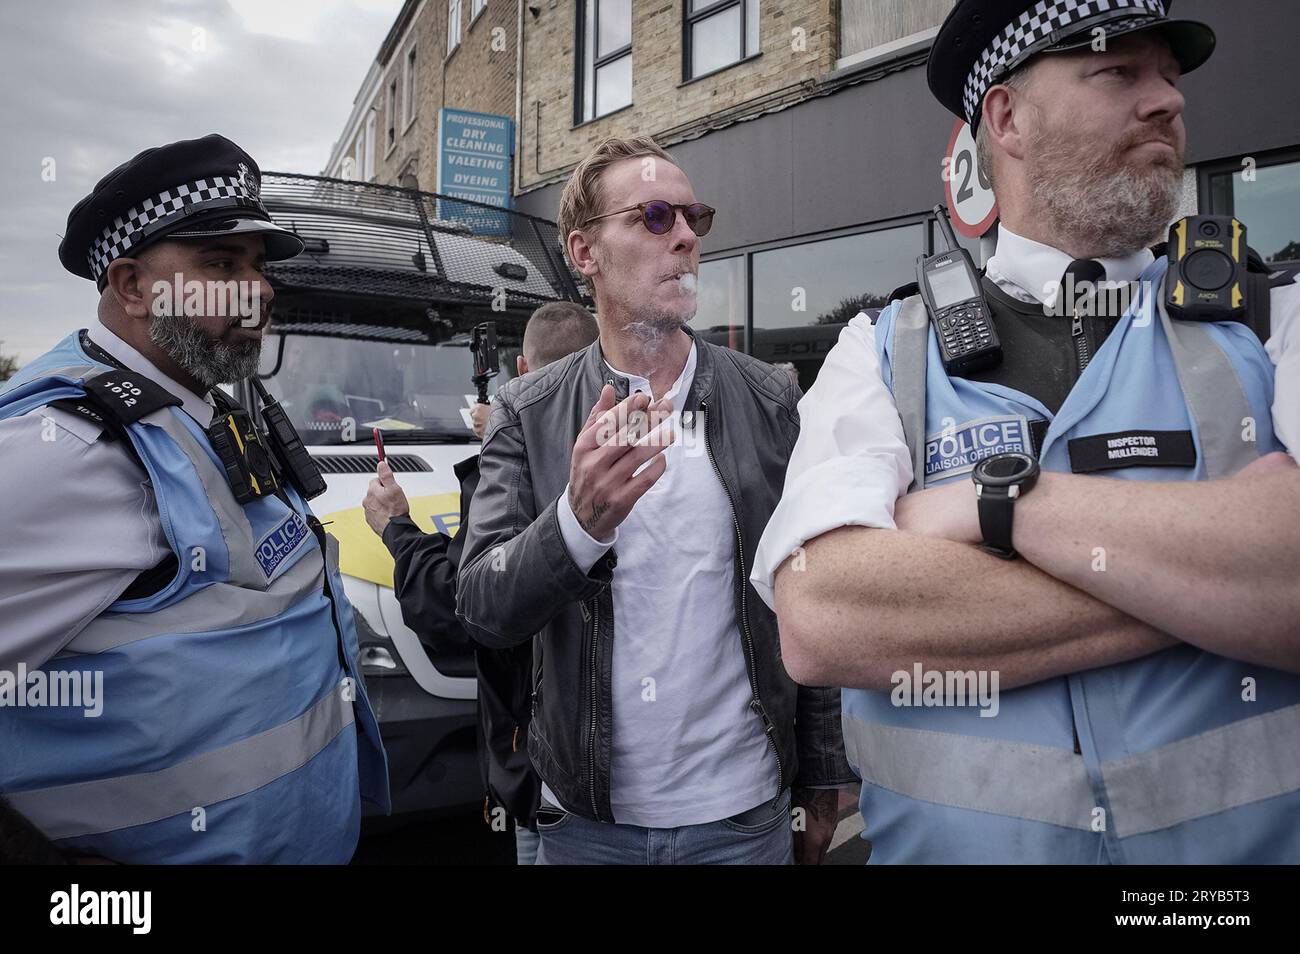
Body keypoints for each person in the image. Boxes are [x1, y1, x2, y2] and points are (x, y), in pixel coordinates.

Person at [755, 0, 1300, 864]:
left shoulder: (1274, 317)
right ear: (1005, 118)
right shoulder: (882, 349)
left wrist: (999, 508)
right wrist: (1228, 587)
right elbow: (824, 615)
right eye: (1120, 72)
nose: (1168, 101)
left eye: (1168, 75)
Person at [455, 135, 853, 866]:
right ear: (585, 253)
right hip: (585, 825)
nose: (686, 238)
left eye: (693, 217)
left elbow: (811, 588)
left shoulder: (768, 399)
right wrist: (576, 526)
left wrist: (825, 775)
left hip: (743, 819)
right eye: (655, 217)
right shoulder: (527, 410)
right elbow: (482, 606)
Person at [0, 134, 389, 863]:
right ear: (132, 285)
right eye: (221, 263)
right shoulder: (63, 448)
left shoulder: (189, 401)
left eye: (259, 265)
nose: (262, 288)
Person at [361, 301, 599, 865]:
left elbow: (454, 610)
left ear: (519, 369)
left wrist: (396, 529)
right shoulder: (643, 453)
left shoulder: (507, 475)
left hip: (542, 762)